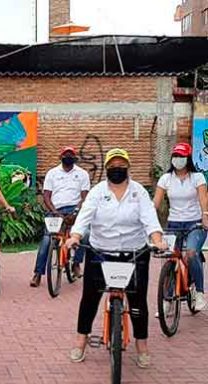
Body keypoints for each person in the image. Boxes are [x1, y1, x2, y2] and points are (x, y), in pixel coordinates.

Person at [66, 148, 167, 369]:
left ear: (127, 168)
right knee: (90, 298)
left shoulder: (138, 192)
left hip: (134, 253)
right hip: (101, 252)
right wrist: (74, 236)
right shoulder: (97, 192)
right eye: (112, 166)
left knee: (138, 300)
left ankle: (142, 347)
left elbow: (150, 218)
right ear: (106, 169)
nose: (116, 170)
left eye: (121, 166)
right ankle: (80, 342)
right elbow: (85, 216)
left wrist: (157, 239)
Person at [153, 142, 208, 312]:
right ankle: (167, 300)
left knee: (191, 254)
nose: (178, 160)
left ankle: (199, 293)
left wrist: (205, 216)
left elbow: (203, 198)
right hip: (173, 224)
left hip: (194, 224)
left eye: (182, 157)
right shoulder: (166, 178)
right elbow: (155, 202)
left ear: (188, 159)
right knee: (170, 259)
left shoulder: (197, 177)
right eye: (176, 156)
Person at [30, 146, 91, 287]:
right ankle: (37, 274)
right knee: (47, 240)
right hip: (55, 210)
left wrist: (76, 211)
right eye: (65, 154)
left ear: (75, 158)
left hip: (75, 210)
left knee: (85, 234)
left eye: (70, 155)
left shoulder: (82, 174)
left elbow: (85, 197)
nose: (68, 157)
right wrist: (55, 212)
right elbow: (46, 196)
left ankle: (76, 263)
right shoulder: (52, 173)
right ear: (60, 157)